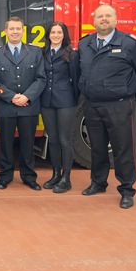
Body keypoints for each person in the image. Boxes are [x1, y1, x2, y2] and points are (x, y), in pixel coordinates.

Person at [78, 5, 136, 209]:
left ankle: (127, 190)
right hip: (92, 105)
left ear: (115, 19)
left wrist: (127, 87)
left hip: (119, 105)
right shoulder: (85, 43)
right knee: (98, 148)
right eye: (100, 16)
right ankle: (98, 182)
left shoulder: (130, 43)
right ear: (94, 20)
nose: (104, 19)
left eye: (108, 16)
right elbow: (80, 71)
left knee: (123, 148)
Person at [0, 17, 46, 191]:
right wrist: (11, 96)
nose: (15, 32)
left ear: (23, 31)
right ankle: (5, 176)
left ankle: (29, 176)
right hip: (6, 106)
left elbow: (41, 78)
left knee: (28, 144)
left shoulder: (35, 52)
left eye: (18, 29)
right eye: (11, 29)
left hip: (28, 106)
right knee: (5, 144)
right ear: (5, 32)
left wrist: (27, 97)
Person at [40, 22, 80, 193]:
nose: (55, 35)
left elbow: (76, 79)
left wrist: (74, 99)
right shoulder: (43, 52)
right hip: (47, 101)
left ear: (64, 35)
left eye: (59, 32)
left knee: (65, 140)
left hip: (65, 101)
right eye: (53, 32)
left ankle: (66, 177)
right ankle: (56, 174)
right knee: (53, 139)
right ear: (48, 35)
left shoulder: (71, 54)